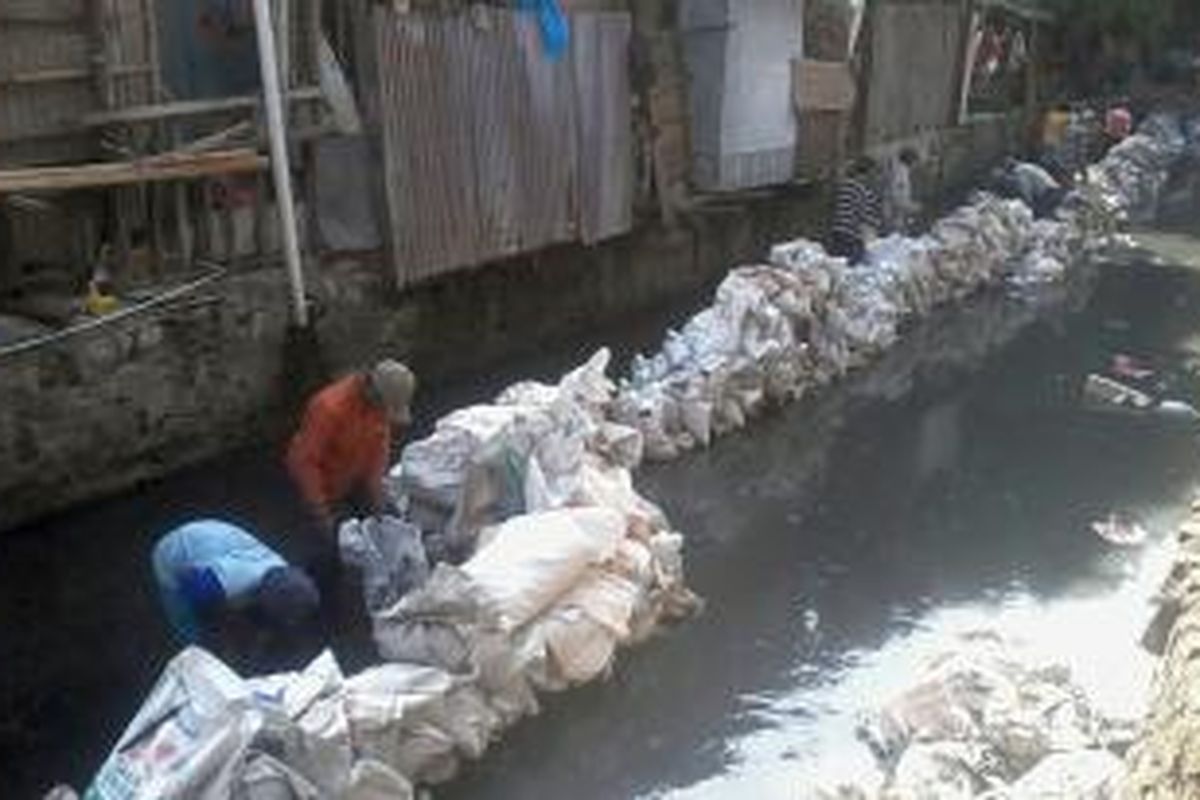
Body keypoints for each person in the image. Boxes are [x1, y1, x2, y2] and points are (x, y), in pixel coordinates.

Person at [152, 520, 320, 668]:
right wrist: (223, 636)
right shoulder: (225, 583)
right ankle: (199, 666)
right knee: (199, 641)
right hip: (174, 552)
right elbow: (193, 590)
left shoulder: (285, 571)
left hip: (216, 539)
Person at [287, 359, 417, 533]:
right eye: (384, 406)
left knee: (383, 519)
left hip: (350, 475)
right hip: (319, 484)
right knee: (326, 538)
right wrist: (320, 511)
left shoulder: (378, 407)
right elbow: (304, 463)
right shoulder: (328, 408)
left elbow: (379, 449)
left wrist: (377, 494)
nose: (385, 413)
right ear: (372, 392)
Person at [829, 158, 884, 266]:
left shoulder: (844, 186)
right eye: (875, 173)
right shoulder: (863, 190)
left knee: (838, 265)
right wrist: (876, 225)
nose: (875, 178)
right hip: (852, 236)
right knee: (852, 267)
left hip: (837, 231)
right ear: (868, 173)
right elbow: (864, 217)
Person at [885, 148, 921, 235]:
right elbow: (895, 195)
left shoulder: (901, 171)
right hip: (894, 217)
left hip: (897, 215)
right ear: (910, 160)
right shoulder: (900, 173)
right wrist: (910, 206)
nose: (916, 165)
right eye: (915, 162)